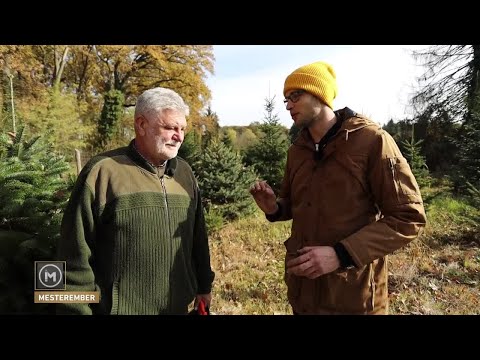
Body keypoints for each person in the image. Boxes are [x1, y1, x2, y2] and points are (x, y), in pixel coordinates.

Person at [250, 61, 426, 315]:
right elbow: (294, 203)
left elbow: (409, 217)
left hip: (354, 299)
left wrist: (340, 254)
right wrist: (274, 207)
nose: (288, 105)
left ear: (319, 94)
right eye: (286, 99)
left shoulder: (372, 141)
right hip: (304, 296)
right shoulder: (297, 151)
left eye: (295, 96)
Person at [57, 87, 215, 315]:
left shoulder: (185, 174)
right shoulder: (102, 171)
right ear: (141, 125)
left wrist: (203, 285)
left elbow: (198, 238)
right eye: (170, 127)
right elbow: (73, 257)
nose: (179, 136)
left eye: (182, 129)